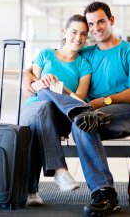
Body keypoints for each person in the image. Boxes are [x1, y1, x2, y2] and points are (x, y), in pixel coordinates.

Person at [24, 1, 130, 216]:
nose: (96, 28)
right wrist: (30, 76)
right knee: (82, 123)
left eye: (101, 21)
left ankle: (81, 116)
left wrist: (105, 101)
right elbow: (37, 68)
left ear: (111, 21)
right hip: (89, 114)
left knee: (86, 118)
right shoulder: (87, 54)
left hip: (129, 111)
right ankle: (104, 192)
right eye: (91, 24)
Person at [20, 14, 93, 206]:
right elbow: (31, 89)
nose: (78, 38)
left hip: (62, 115)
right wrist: (41, 83)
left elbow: (79, 99)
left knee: (42, 117)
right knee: (41, 108)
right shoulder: (45, 55)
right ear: (65, 32)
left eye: (83, 34)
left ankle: (30, 191)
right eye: (74, 32)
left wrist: (60, 87)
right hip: (33, 108)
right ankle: (59, 170)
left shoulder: (84, 65)